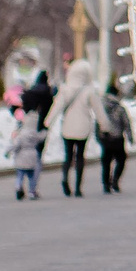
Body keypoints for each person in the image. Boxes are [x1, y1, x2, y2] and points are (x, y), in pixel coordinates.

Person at [46, 60, 101, 198]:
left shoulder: (65, 89)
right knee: (80, 157)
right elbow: (99, 110)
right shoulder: (89, 91)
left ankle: (65, 178)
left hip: (68, 128)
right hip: (83, 127)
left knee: (68, 156)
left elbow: (57, 107)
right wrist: (105, 125)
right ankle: (78, 187)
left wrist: (47, 122)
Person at [96, 79, 134, 193]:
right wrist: (130, 136)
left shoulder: (102, 108)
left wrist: (98, 137)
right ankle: (115, 180)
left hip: (106, 138)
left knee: (106, 163)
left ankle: (106, 184)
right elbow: (126, 123)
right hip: (118, 138)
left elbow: (98, 122)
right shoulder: (119, 108)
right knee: (121, 160)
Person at [7, 110, 44, 200]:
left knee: (20, 176)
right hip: (32, 157)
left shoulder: (21, 134)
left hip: (21, 157)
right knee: (32, 177)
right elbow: (41, 138)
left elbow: (15, 145)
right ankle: (32, 191)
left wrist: (8, 151)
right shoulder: (35, 134)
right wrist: (45, 132)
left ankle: (18, 187)